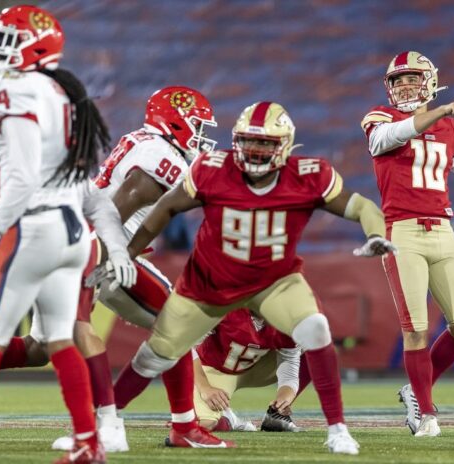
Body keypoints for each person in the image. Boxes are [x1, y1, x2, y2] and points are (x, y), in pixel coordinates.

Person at [114, 100, 396, 454]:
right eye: (249, 141)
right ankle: (101, 420)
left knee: (316, 328)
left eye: (265, 142)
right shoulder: (212, 168)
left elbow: (362, 207)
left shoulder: (308, 175)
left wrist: (375, 233)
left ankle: (338, 430)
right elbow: (167, 205)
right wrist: (128, 251)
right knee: (155, 353)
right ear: (236, 141)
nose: (256, 150)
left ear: (285, 145)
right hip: (212, 281)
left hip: (274, 281)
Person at [0, 5, 135, 463]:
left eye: (6, 39)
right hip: (72, 233)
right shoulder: (63, 91)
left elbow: (19, 181)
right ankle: (88, 443)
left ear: (33, 47)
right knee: (59, 339)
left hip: (31, 229)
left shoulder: (14, 89)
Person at [44, 85, 217, 453]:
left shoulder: (149, 144)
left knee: (174, 324)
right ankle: (103, 426)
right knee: (71, 336)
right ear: (176, 122)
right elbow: (119, 207)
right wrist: (101, 261)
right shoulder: (160, 155)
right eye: (198, 126)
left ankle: (182, 426)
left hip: (97, 246)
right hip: (99, 250)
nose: (202, 137)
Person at [360, 51, 454, 436]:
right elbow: (389, 138)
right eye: (398, 80)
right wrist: (441, 112)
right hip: (403, 233)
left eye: (412, 78)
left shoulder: (448, 129)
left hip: (443, 232)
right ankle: (426, 412)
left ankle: (415, 389)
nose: (404, 86)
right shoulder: (380, 117)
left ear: (430, 82)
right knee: (415, 329)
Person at [193, 308, 304, 433]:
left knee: (312, 338)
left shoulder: (286, 319)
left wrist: (284, 399)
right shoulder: (225, 308)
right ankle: (230, 420)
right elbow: (184, 347)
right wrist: (204, 387)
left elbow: (289, 366)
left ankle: (276, 416)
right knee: (205, 423)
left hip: (259, 368)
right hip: (216, 368)